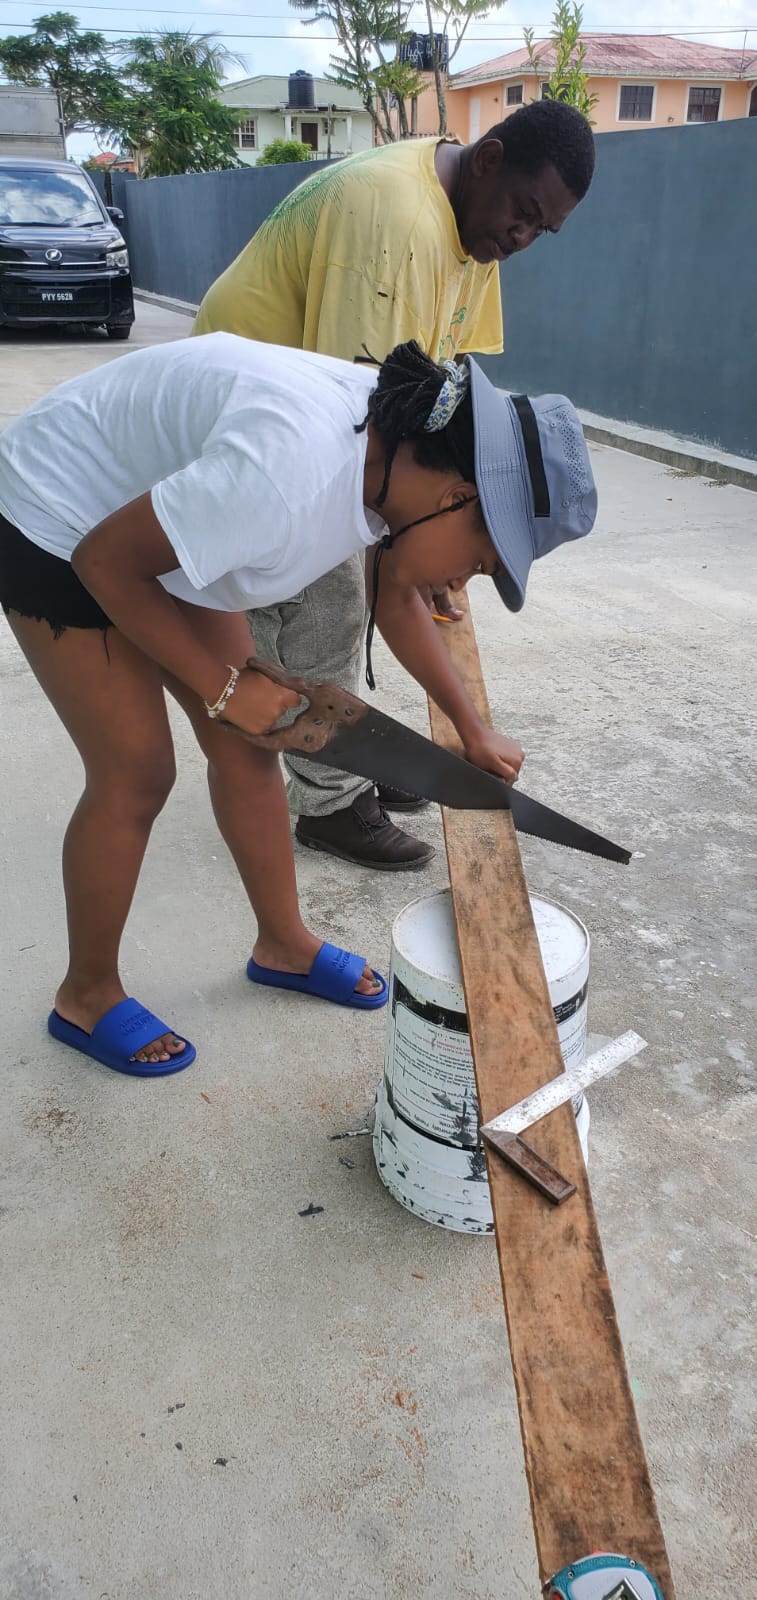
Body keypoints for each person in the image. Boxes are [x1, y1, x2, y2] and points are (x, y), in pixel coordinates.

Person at [0, 333, 597, 1078]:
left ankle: (282, 943)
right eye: (478, 562)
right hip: (61, 516)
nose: (463, 583)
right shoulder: (290, 475)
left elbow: (397, 590)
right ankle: (86, 994)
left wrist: (470, 730)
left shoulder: (400, 459)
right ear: (457, 497)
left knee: (253, 740)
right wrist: (223, 688)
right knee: (136, 773)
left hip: (157, 511)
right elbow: (106, 562)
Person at [193, 98, 596, 870]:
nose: (520, 237)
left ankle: (355, 761)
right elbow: (369, 458)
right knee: (329, 603)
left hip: (324, 422)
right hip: (255, 430)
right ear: (487, 158)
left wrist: (442, 547)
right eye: (521, 213)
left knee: (364, 586)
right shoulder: (394, 223)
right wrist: (411, 557)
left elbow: (446, 380)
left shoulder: (472, 232)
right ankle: (329, 803)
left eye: (539, 231)